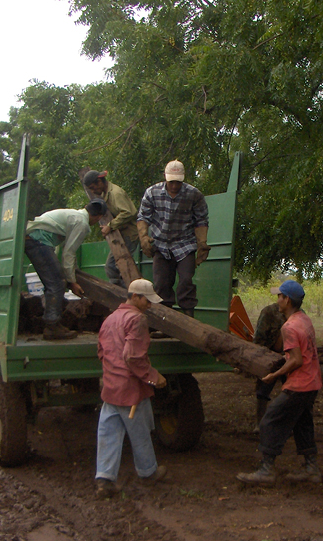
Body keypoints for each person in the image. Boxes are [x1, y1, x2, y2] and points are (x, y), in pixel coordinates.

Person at [237, 280, 322, 485]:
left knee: (270, 420)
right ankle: (311, 469)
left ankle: (266, 470)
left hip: (299, 385)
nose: (277, 300)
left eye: (280, 296)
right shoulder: (304, 319)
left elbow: (296, 360)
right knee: (303, 423)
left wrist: (274, 376)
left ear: (287, 300)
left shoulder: (290, 327)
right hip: (313, 381)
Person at [95, 278, 168, 499]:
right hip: (130, 389)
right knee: (140, 432)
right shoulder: (137, 319)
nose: (150, 305)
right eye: (147, 300)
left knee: (108, 432)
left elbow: (101, 351)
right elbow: (133, 356)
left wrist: (109, 374)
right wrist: (153, 376)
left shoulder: (110, 319)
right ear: (135, 297)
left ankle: (104, 479)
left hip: (111, 387)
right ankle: (148, 472)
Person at [24, 199, 107, 340]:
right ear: (99, 217)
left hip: (34, 238)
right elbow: (69, 252)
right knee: (57, 283)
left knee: (55, 281)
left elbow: (63, 251)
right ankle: (52, 326)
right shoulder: (82, 223)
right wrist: (72, 282)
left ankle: (53, 323)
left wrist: (71, 275)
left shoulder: (74, 215)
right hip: (38, 241)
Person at [137, 160, 210, 319]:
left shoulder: (194, 195)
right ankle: (165, 322)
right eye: (171, 182)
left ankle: (189, 318)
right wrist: (143, 237)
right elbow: (143, 217)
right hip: (161, 244)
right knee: (162, 285)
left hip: (185, 244)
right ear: (165, 177)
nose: (174, 186)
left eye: (178, 182)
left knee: (185, 281)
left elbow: (201, 220)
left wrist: (202, 243)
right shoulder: (152, 193)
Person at [83, 170, 140, 288]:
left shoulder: (115, 193)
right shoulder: (105, 194)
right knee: (116, 267)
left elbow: (129, 212)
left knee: (114, 266)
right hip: (121, 234)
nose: (93, 191)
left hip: (129, 234)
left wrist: (110, 226)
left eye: (93, 187)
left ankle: (122, 293)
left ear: (99, 181)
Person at [253, 303, 285, 431]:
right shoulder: (269, 312)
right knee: (262, 391)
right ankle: (259, 423)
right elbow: (259, 336)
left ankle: (289, 423)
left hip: (289, 356)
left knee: (292, 391)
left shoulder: (298, 314)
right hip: (270, 355)